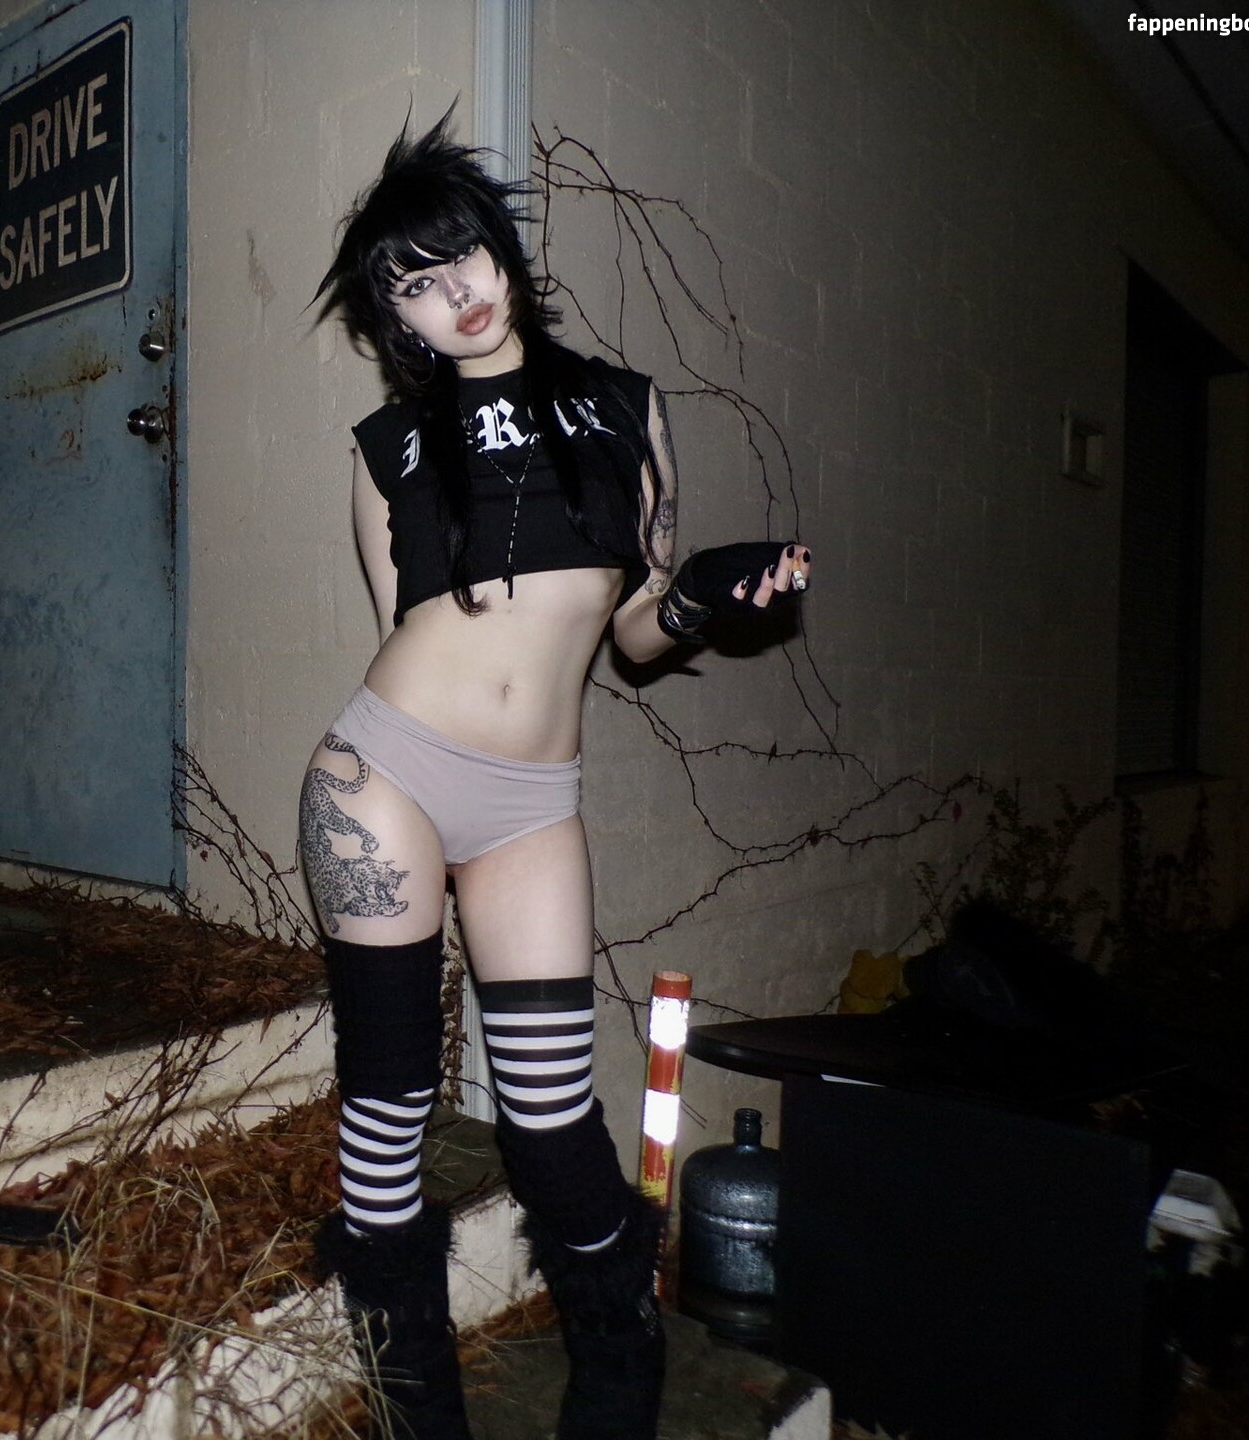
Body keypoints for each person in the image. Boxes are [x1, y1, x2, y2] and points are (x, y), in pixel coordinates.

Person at [302, 116, 812, 1440]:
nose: (454, 292)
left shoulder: (628, 408)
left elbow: (636, 635)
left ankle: (620, 1370)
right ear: (397, 318)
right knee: (391, 1096)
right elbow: (403, 629)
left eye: (462, 254)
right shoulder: (384, 446)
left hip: (532, 805)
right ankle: (418, 1405)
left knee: (548, 1112)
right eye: (416, 284)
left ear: (503, 248)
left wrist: (702, 597)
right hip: (385, 775)